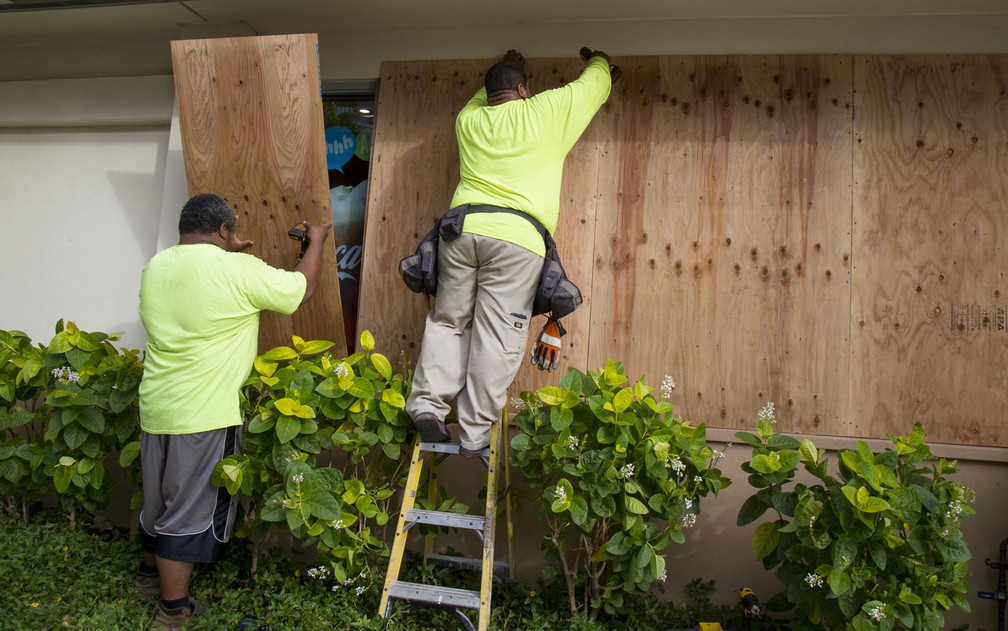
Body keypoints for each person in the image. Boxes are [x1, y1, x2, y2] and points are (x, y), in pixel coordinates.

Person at [134, 193, 331, 629]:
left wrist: (231, 256)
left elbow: (199, 291)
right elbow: (302, 289)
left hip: (156, 408)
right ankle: (173, 609)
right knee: (186, 511)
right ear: (224, 230)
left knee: (157, 500)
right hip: (203, 414)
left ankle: (148, 577)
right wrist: (315, 241)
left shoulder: (157, 266)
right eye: (234, 229)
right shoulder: (238, 270)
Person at [406, 49, 612, 457]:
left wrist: (504, 67)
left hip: (461, 232)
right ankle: (473, 433)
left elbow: (483, 97)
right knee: (496, 335)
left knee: (448, 322)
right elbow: (595, 86)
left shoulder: (469, 119)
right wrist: (600, 62)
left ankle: (427, 406)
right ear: (523, 89)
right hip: (517, 240)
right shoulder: (546, 111)